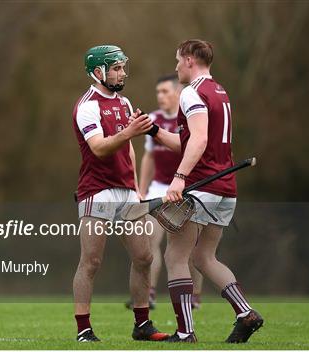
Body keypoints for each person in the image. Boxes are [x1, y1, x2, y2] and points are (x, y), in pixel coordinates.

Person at [148, 39, 264, 343]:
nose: (175, 68)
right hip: (225, 188)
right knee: (203, 257)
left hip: (202, 188)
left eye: (177, 61)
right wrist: (153, 131)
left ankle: (185, 333)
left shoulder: (191, 92)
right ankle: (246, 314)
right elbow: (190, 141)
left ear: (189, 60)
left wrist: (179, 177)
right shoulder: (219, 91)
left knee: (175, 256)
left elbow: (198, 142)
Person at [72, 44, 168, 342]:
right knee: (92, 261)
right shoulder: (87, 105)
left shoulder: (125, 103)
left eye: (122, 67)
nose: (122, 72)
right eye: (116, 68)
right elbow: (99, 147)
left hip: (126, 192)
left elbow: (128, 147)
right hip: (96, 191)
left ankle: (142, 325)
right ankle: (84, 329)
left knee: (144, 257)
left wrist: (137, 189)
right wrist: (130, 132)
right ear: (98, 71)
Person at [127, 74, 204, 310]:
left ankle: (195, 295)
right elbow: (149, 157)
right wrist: (140, 188)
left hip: (188, 189)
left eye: (164, 91)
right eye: (157, 92)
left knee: (191, 247)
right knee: (150, 242)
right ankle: (149, 293)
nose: (160, 96)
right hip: (160, 189)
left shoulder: (192, 118)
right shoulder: (153, 119)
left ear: (178, 93)